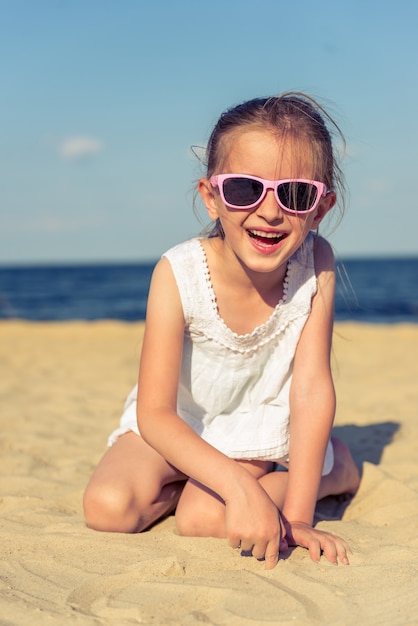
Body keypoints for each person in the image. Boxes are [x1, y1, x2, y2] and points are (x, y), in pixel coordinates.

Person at [83, 92, 360, 569]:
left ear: (319, 208)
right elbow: (154, 412)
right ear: (211, 197)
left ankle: (333, 470)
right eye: (244, 190)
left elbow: (312, 387)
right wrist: (236, 485)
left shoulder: (318, 263)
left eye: (294, 194)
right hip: (181, 423)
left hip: (253, 423)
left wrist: (297, 515)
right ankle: (201, 482)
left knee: (202, 518)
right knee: (108, 507)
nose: (269, 212)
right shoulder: (178, 272)